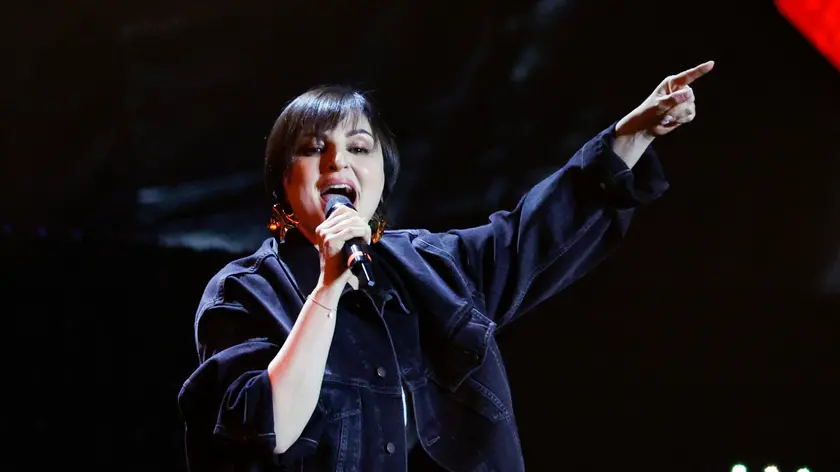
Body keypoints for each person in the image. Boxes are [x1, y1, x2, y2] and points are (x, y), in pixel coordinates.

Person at [177, 60, 714, 472]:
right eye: (314, 148)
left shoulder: (434, 267)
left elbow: (533, 235)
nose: (338, 161)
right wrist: (327, 288)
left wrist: (632, 136)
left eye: (359, 148)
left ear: (382, 176)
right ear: (283, 181)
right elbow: (263, 431)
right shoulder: (246, 293)